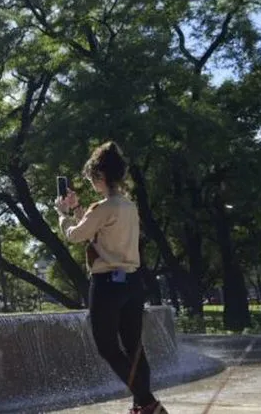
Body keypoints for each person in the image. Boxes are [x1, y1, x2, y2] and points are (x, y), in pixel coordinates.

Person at [55, 141, 167, 414]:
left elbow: (76, 235)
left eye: (92, 178)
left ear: (101, 176)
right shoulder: (128, 206)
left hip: (107, 285)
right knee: (134, 348)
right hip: (132, 282)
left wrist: (62, 214)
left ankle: (149, 403)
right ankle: (141, 405)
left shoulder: (104, 207)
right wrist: (78, 209)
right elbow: (98, 232)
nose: (91, 182)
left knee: (107, 347)